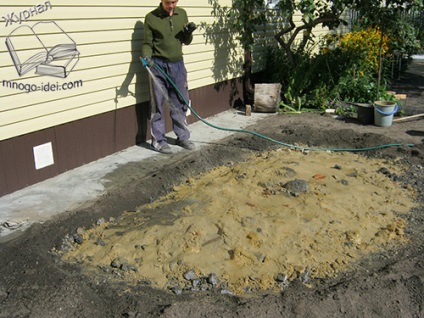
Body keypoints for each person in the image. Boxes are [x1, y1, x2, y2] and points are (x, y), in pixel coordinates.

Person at [141, 0, 197, 154]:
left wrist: (188, 33)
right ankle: (158, 141)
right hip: (157, 65)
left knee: (180, 102)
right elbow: (147, 43)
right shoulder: (151, 18)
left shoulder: (182, 14)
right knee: (157, 104)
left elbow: (187, 42)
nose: (171, 6)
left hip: (178, 65)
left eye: (174, 2)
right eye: (168, 2)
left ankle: (183, 137)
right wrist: (146, 58)